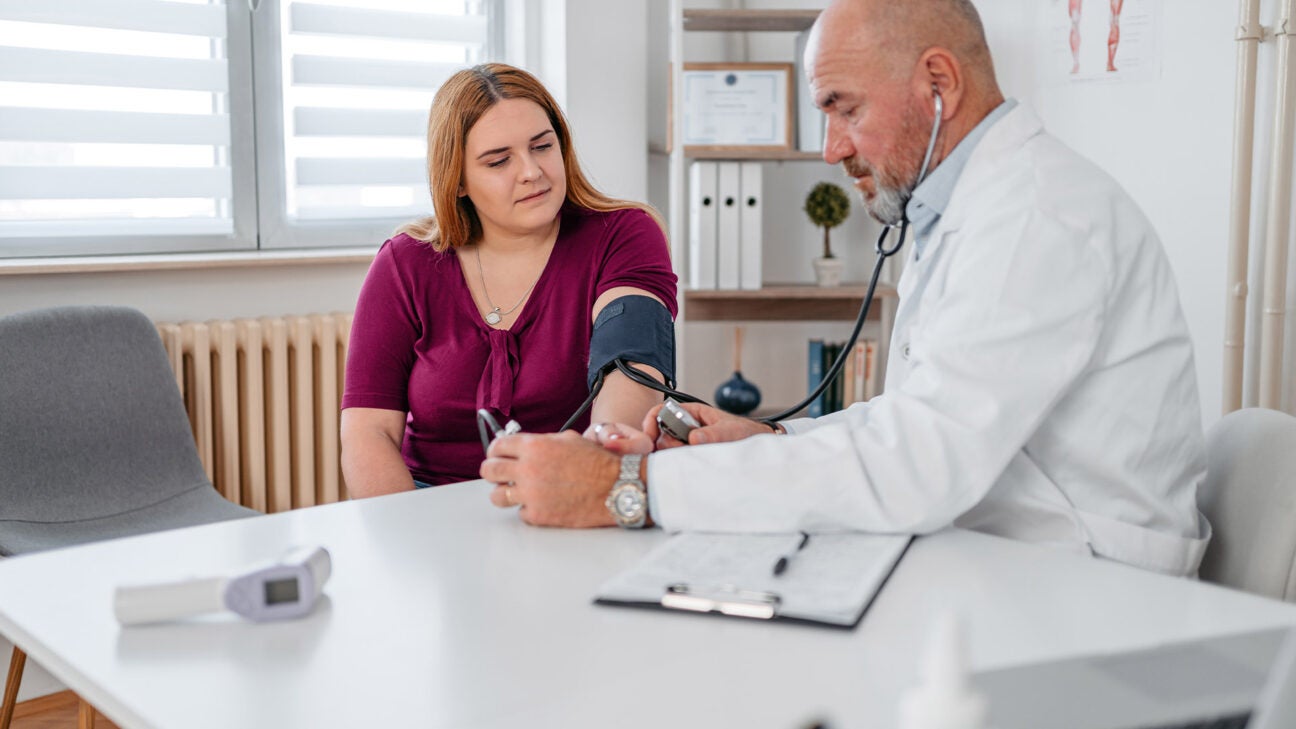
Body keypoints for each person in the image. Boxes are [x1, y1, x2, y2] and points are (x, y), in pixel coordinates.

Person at [480, 0, 1211, 577]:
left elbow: (918, 464)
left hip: (1087, 589)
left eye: (844, 107)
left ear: (939, 83)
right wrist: (769, 438)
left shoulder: (1035, 217)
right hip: (1009, 550)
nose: (831, 148)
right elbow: (917, 423)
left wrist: (626, 489)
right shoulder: (969, 207)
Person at [341, 63, 677, 498]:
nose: (531, 172)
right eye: (499, 160)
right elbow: (368, 432)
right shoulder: (406, 263)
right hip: (424, 502)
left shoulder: (624, 233)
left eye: (543, 146)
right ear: (458, 179)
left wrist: (592, 472)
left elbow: (630, 368)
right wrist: (405, 533)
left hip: (572, 487)